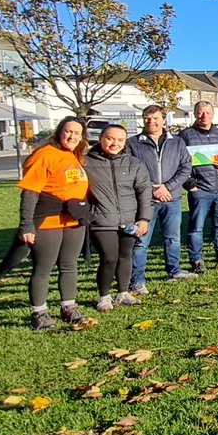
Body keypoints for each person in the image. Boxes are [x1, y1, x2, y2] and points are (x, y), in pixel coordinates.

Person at [17, 116, 91, 329]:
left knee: (69, 265)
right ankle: (39, 313)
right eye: (68, 131)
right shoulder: (44, 155)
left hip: (73, 220)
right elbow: (30, 192)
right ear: (60, 132)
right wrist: (26, 225)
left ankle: (69, 307)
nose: (72, 136)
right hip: (49, 220)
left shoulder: (74, 155)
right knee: (44, 267)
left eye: (77, 133)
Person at [85, 124, 153, 313]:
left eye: (120, 140)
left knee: (125, 255)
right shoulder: (86, 162)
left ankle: (123, 292)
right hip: (101, 220)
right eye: (110, 138)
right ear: (101, 138)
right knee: (109, 257)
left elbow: (144, 193)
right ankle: (104, 296)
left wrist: (144, 219)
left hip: (129, 220)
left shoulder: (134, 163)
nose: (114, 143)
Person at [127, 105, 194, 293]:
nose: (151, 121)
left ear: (164, 120)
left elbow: (185, 167)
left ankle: (174, 271)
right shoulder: (133, 143)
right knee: (141, 241)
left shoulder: (177, 142)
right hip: (144, 201)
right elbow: (129, 171)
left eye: (155, 118)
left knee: (172, 238)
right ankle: (138, 280)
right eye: (147, 118)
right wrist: (152, 189)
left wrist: (168, 187)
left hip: (172, 198)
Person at [180, 101, 218, 272]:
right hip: (201, 189)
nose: (204, 116)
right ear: (195, 113)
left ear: (213, 114)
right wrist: (190, 185)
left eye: (208, 113)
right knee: (197, 227)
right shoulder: (186, 135)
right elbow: (178, 162)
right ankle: (196, 260)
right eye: (200, 112)